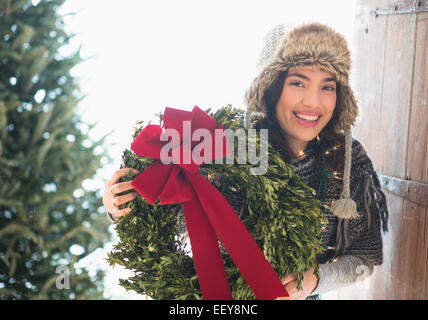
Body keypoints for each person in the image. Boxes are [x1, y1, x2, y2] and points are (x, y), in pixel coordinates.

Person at [103, 23, 389, 300]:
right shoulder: (226, 148)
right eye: (298, 83)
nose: (314, 102)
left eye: (328, 87)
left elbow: (364, 257)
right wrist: (122, 203)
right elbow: (171, 212)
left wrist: (318, 278)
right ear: (271, 88)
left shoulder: (344, 159)